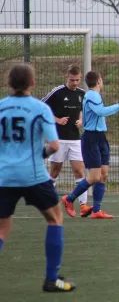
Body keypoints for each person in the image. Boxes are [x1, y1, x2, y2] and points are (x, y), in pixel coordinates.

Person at [0, 64, 76, 292]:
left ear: (9, 83)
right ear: (32, 83)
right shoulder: (40, 108)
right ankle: (52, 279)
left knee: (2, 230)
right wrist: (38, 154)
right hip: (33, 175)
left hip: (4, 176)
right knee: (54, 218)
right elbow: (53, 145)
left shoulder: (1, 108)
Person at [61, 71, 119, 219]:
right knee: (95, 176)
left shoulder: (93, 95)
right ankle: (69, 199)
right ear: (99, 80)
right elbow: (100, 111)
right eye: (101, 80)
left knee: (103, 174)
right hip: (91, 138)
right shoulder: (91, 95)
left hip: (100, 137)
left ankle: (96, 210)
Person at [42, 64, 92, 217]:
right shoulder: (57, 92)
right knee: (55, 171)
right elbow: (41, 107)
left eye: (77, 80)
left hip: (75, 139)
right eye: (72, 80)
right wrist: (56, 119)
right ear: (66, 77)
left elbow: (83, 109)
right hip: (58, 139)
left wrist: (81, 120)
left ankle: (83, 205)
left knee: (79, 170)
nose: (75, 83)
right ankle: (48, 203)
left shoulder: (82, 93)